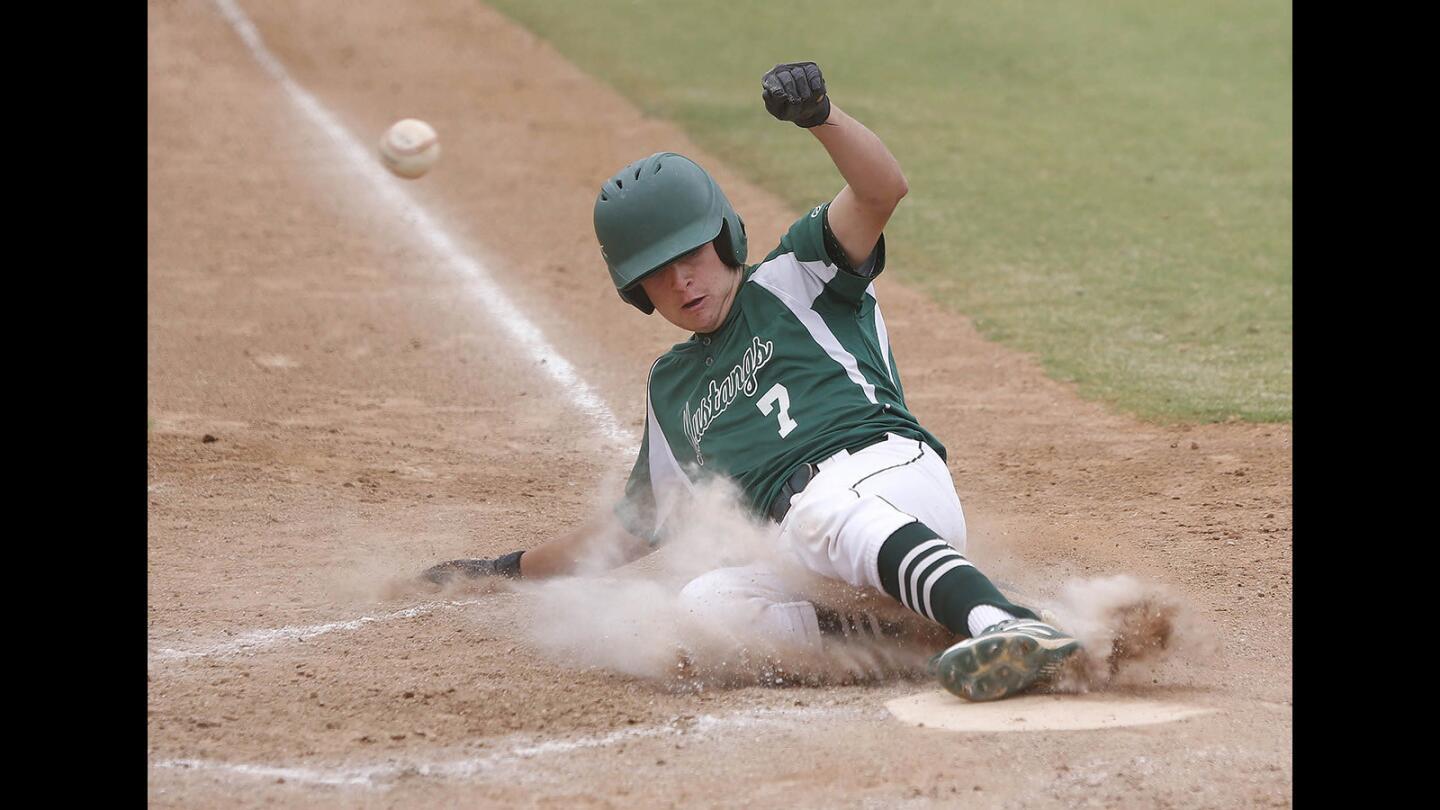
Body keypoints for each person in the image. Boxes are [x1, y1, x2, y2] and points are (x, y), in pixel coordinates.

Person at [424, 62, 1080, 702]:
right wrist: (500, 569)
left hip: (891, 483)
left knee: (821, 513)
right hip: (817, 553)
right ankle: (917, 634)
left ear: (725, 238)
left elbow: (882, 191)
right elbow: (628, 533)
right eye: (657, 272)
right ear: (636, 290)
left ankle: (1007, 620)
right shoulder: (672, 389)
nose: (681, 281)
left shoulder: (799, 274)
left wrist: (821, 118)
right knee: (708, 606)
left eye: (690, 256)